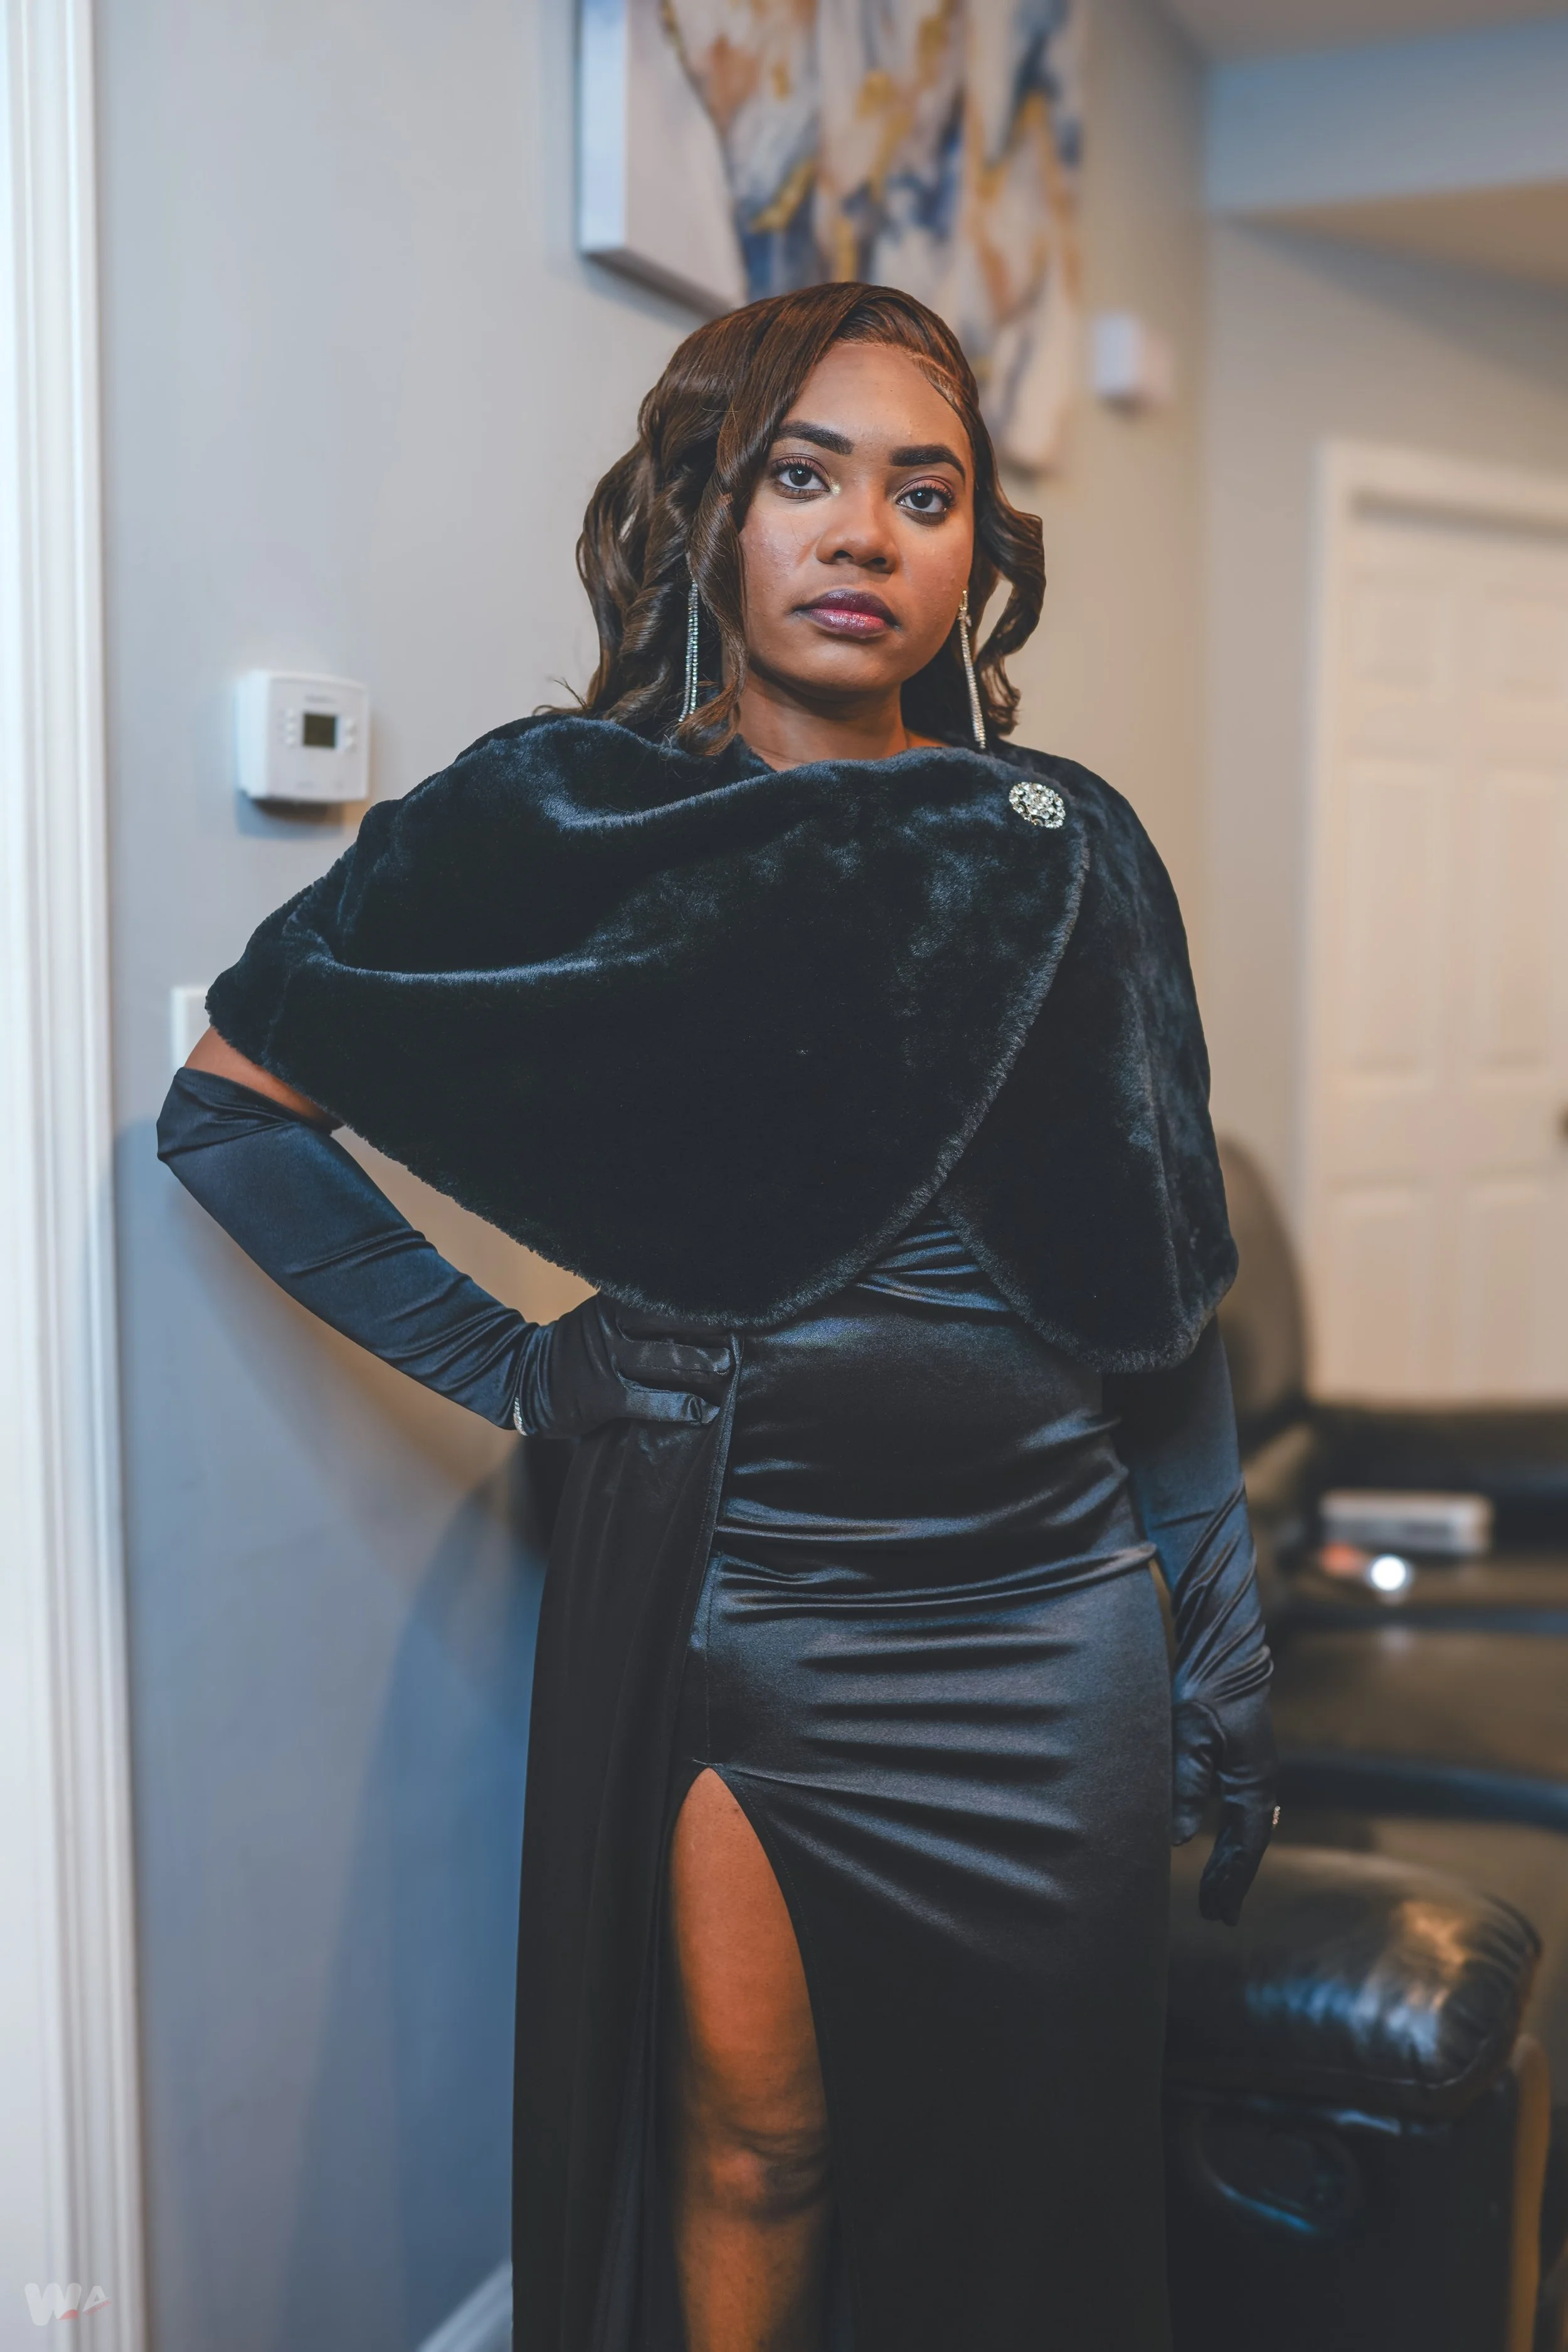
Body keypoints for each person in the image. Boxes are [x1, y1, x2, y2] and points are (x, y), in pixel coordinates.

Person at [158, 282, 1274, 2352]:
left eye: (922, 493)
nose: (864, 535)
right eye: (805, 475)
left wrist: (1204, 1584)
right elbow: (231, 1115)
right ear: (709, 508)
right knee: (755, 2150)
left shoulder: (1068, 846)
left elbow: (1157, 1270)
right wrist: (515, 1362)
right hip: (742, 1604)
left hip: (1049, 1616)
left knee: (1038, 2171)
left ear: (972, 557)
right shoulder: (561, 819)